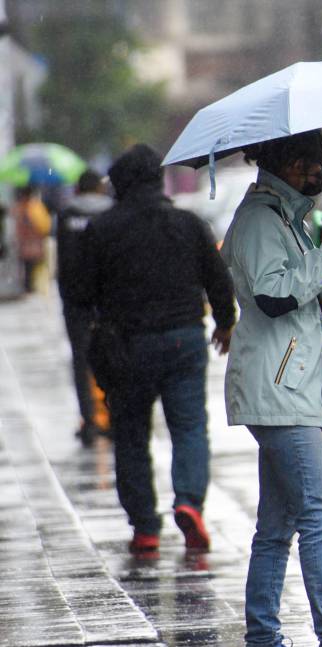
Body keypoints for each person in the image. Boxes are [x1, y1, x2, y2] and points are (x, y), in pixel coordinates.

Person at [220, 129, 322, 647]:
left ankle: (262, 634)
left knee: (277, 524)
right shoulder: (261, 219)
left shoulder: (285, 216)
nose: (318, 172)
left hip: (289, 386)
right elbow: (273, 295)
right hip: (279, 390)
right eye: (310, 163)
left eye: (321, 162)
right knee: (320, 512)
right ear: (285, 161)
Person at [75, 144, 236, 554]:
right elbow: (218, 279)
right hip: (184, 338)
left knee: (130, 436)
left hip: (127, 345)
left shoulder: (103, 229)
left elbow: (79, 291)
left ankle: (145, 526)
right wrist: (224, 322)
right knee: (188, 428)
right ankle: (189, 502)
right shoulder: (188, 223)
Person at [57, 170, 114, 446]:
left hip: (77, 305)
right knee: (113, 358)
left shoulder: (67, 216)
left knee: (82, 362)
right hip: (108, 302)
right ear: (100, 188)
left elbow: (63, 265)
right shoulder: (113, 212)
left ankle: (89, 420)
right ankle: (112, 416)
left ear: (78, 190)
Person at [14, 185, 52, 294]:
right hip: (33, 246)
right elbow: (45, 226)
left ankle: (29, 287)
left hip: (25, 245)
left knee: (29, 268)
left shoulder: (20, 207)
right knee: (33, 267)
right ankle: (31, 288)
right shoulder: (35, 207)